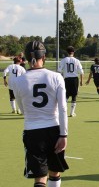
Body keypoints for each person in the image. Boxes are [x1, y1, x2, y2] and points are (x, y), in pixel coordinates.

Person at [12, 41, 69, 187]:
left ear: (25, 57)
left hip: (32, 131)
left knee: (39, 178)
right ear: (44, 56)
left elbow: (22, 109)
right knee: (54, 173)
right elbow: (63, 108)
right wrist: (63, 135)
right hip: (53, 130)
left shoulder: (18, 81)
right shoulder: (56, 77)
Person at [58, 46, 84, 117]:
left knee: (66, 96)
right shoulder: (77, 61)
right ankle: (72, 113)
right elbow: (81, 72)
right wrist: (81, 81)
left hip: (67, 79)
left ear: (67, 52)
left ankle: (64, 112)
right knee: (74, 96)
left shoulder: (63, 60)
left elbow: (59, 71)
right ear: (73, 52)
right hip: (75, 79)